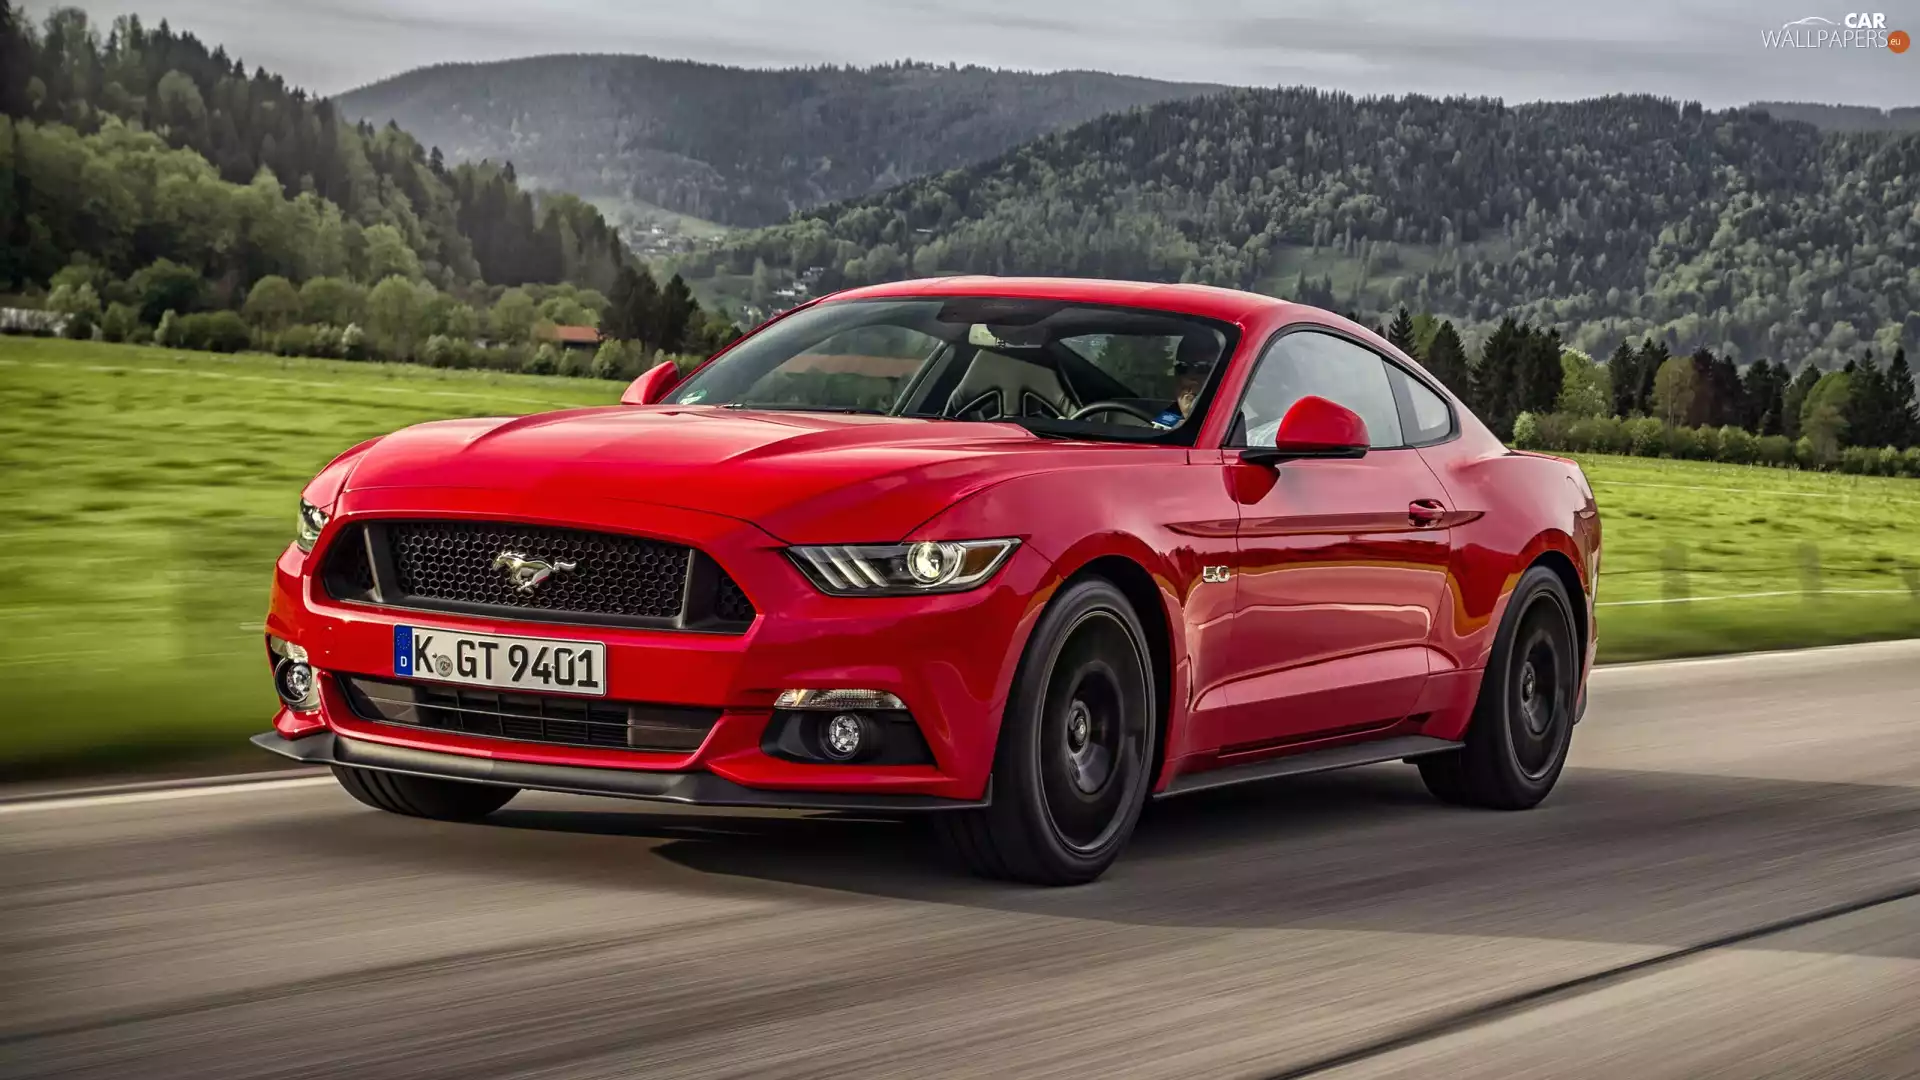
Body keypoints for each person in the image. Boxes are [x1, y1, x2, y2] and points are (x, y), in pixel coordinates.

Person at [1151, 333, 1222, 427]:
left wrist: (1191, 416)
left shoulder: (1231, 415)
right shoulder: (1166, 418)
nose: (1189, 378)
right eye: (1183, 367)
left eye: (1203, 367)